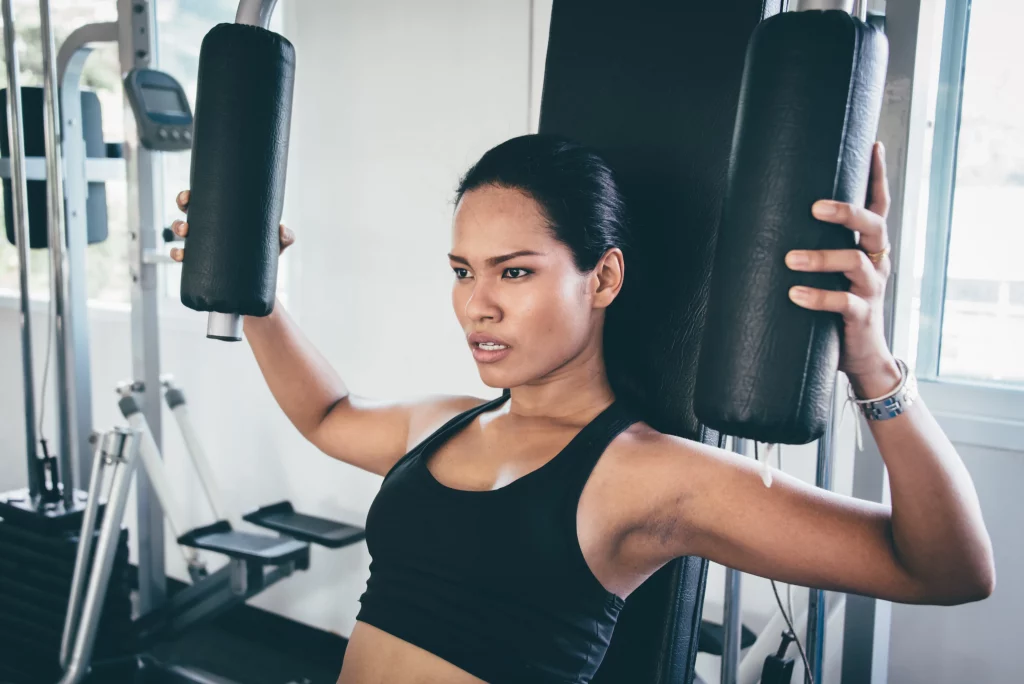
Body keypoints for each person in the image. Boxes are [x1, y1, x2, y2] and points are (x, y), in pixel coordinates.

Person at [170, 134, 995, 684]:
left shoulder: (648, 475)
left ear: (602, 278)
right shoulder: (447, 421)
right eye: (462, 271)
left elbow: (946, 568)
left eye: (515, 272)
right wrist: (256, 294)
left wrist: (871, 362)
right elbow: (328, 416)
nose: (476, 306)